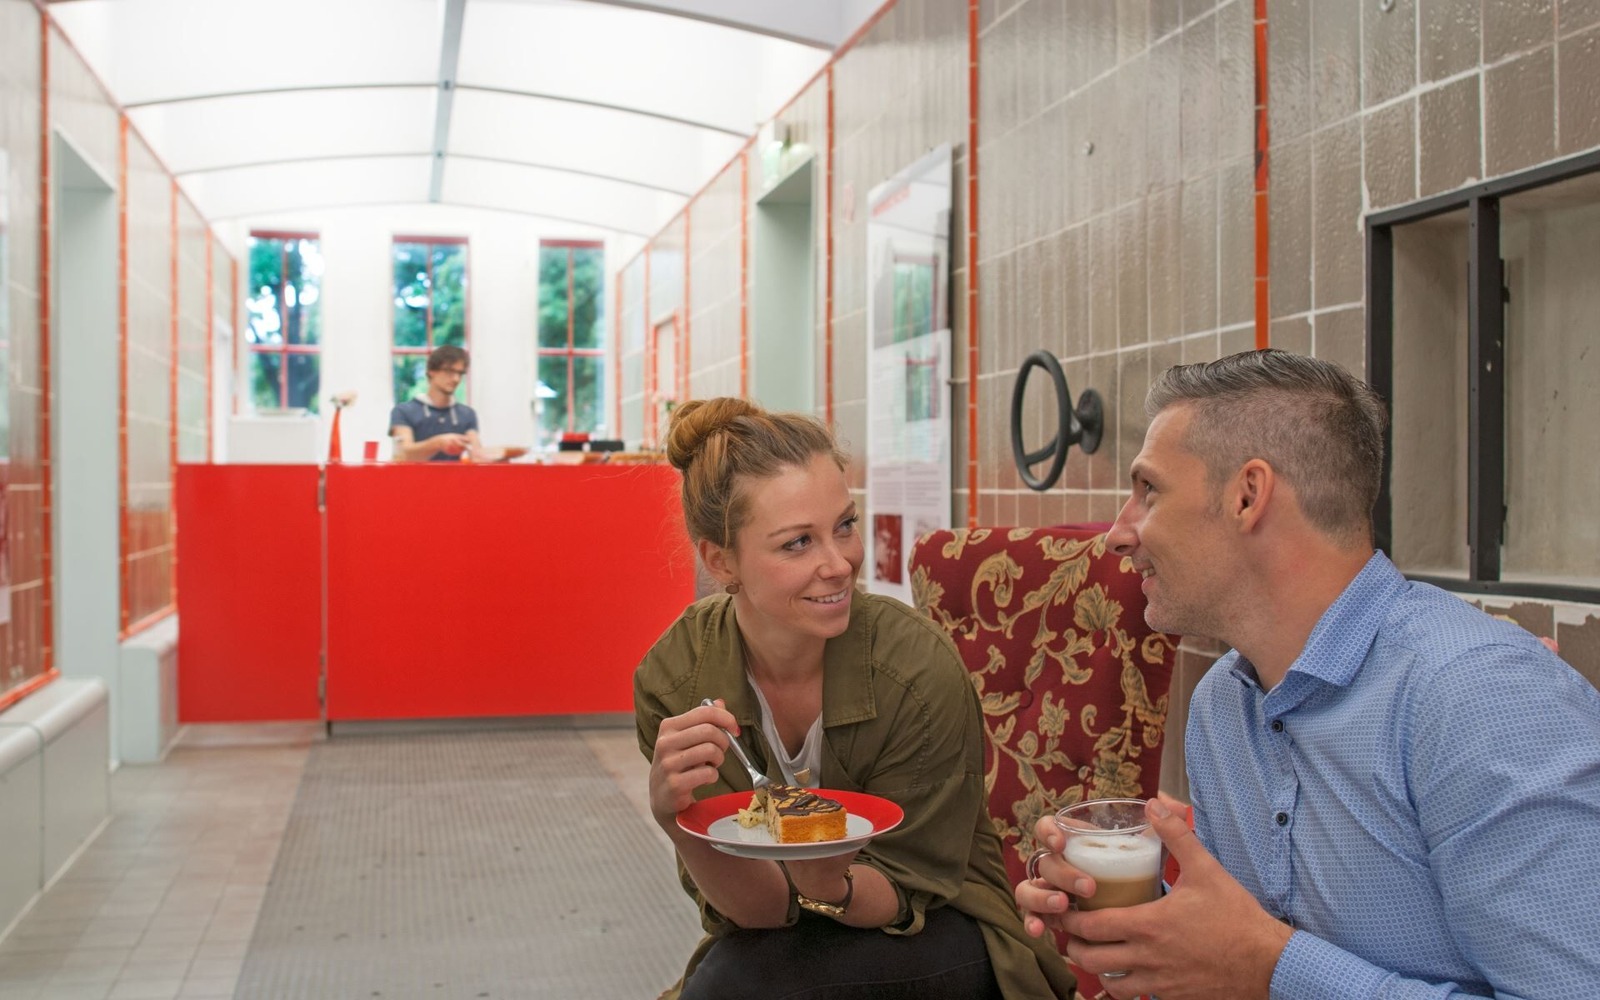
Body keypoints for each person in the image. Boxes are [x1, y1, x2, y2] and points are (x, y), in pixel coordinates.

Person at [1016, 349, 1600, 1000]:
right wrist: (1148, 925)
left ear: (1247, 496)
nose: (1117, 535)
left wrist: (1270, 970)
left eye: (1149, 491)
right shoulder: (1222, 707)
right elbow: (1236, 952)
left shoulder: (1481, 698)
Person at [635, 398, 1075, 1000]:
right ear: (721, 560)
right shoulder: (676, 681)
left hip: (947, 928)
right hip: (770, 944)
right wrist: (677, 818)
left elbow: (911, 890)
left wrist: (829, 883)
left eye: (844, 525)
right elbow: (758, 913)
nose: (840, 563)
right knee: (737, 979)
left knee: (733, 985)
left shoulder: (914, 671)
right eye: (798, 543)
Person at [389, 345, 498, 461]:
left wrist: (503, 453)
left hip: (455, 474)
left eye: (460, 373)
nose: (456, 379)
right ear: (431, 371)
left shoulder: (467, 414)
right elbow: (403, 455)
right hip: (415, 474)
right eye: (449, 371)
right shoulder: (403, 411)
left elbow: (477, 457)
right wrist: (438, 443)